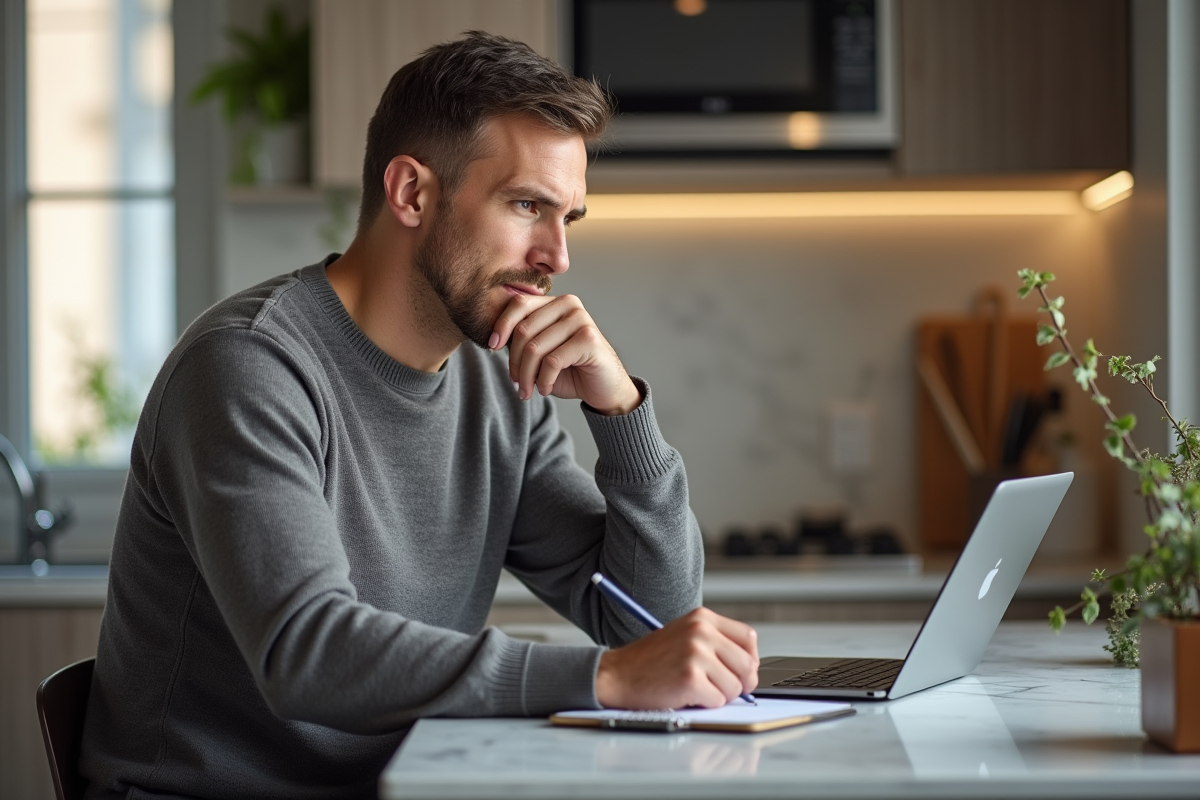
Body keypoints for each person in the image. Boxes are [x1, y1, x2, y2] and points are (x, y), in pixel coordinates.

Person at [80, 31, 758, 799]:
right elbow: (305, 651)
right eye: (527, 205)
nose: (556, 256)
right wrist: (601, 678)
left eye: (569, 217)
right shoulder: (248, 367)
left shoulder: (499, 387)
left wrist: (623, 413)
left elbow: (650, 625)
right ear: (411, 193)